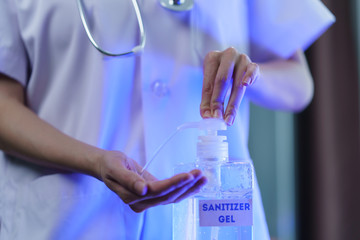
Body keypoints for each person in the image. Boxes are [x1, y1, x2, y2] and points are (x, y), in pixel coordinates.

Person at [0, 0, 334, 239]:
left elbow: (299, 85)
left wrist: (248, 76)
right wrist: (94, 161)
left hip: (215, 221)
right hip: (69, 219)